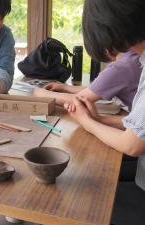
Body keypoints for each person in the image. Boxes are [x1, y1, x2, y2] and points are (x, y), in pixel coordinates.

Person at [63, 0, 145, 223]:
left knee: (79, 204)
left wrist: (86, 122)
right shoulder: (141, 59)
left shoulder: (129, 63)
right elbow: (138, 127)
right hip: (141, 173)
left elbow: (132, 144)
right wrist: (99, 119)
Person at [34, 51, 142, 111]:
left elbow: (78, 100)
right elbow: (94, 90)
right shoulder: (134, 57)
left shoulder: (120, 68)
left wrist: (43, 93)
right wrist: (64, 87)